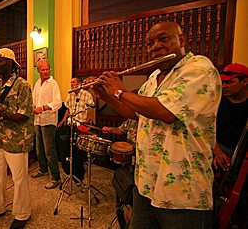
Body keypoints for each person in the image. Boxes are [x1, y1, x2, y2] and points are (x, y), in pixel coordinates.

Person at [87, 21, 221, 228]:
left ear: (181, 40)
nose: (155, 46)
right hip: (145, 183)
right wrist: (105, 94)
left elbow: (166, 112)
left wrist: (119, 91)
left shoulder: (199, 68)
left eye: (163, 39)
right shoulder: (153, 78)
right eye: (150, 43)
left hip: (181, 192)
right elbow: (135, 112)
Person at [0, 48, 34, 229]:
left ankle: (21, 213)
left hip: (16, 139)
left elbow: (24, 115)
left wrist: (1, 113)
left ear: (11, 63)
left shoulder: (22, 85)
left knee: (19, 179)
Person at [31, 59, 62, 189]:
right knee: (39, 148)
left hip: (48, 121)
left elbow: (58, 102)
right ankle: (43, 169)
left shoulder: (53, 83)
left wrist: (43, 108)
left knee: (50, 150)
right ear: (38, 70)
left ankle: (56, 177)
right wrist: (33, 107)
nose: (45, 71)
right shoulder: (37, 83)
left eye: (47, 69)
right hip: (37, 120)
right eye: (42, 69)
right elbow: (34, 100)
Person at [57, 77, 94, 184]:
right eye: (71, 82)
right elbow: (68, 109)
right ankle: (70, 173)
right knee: (68, 150)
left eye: (74, 82)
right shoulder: (71, 94)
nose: (72, 84)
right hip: (70, 124)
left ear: (80, 83)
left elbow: (91, 109)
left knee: (78, 152)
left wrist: (87, 122)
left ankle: (79, 175)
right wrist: (63, 120)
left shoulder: (86, 94)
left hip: (81, 126)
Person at [213, 63, 248, 171]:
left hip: (241, 151)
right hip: (217, 146)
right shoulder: (216, 100)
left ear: (245, 82)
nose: (224, 86)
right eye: (222, 82)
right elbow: (204, 129)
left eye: (229, 82)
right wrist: (217, 152)